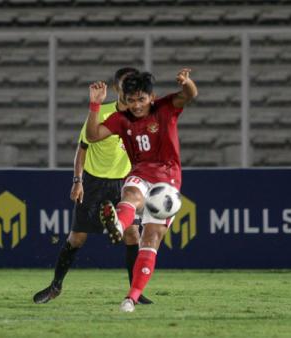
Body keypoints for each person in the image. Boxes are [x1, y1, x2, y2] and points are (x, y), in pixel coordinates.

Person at [33, 67, 153, 305]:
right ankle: (55, 286)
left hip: (124, 182)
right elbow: (82, 148)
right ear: (118, 88)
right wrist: (78, 181)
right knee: (77, 237)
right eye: (126, 84)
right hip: (94, 181)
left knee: (132, 234)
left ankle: (135, 293)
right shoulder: (102, 112)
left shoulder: (141, 116)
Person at [85, 69, 198, 312]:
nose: (136, 105)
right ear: (125, 99)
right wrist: (94, 106)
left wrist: (187, 82)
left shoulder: (165, 107)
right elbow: (93, 136)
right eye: (131, 100)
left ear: (151, 97)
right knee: (131, 195)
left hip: (168, 180)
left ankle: (131, 297)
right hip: (140, 172)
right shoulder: (120, 118)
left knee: (151, 239)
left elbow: (189, 94)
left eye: (141, 99)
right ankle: (118, 224)